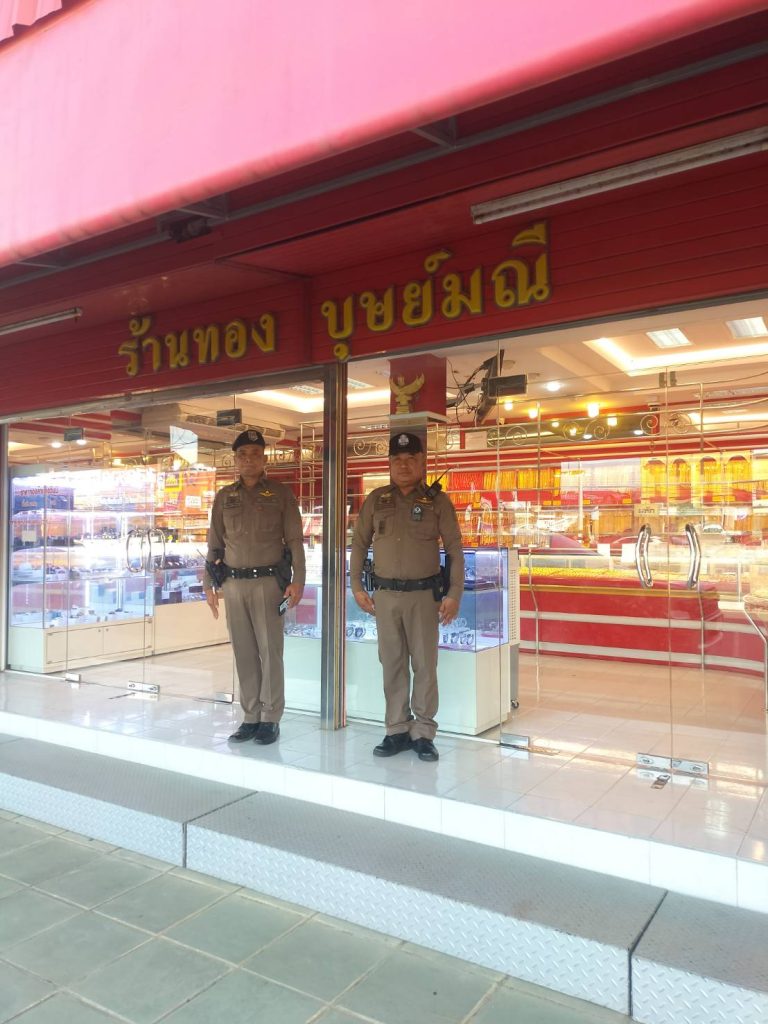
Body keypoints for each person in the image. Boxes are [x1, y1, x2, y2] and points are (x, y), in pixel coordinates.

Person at [350, 432, 464, 761]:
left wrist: (454, 593)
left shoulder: (437, 502)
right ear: (389, 464)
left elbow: (455, 549)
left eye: (411, 459)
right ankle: (397, 729)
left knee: (425, 664)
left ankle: (424, 732)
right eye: (397, 460)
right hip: (385, 597)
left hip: (424, 597)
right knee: (392, 663)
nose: (404, 465)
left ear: (422, 462)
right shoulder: (376, 500)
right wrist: (356, 586)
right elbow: (359, 544)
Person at [204, 429, 305, 744]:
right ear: (235, 460)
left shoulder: (280, 494)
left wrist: (298, 581)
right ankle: (250, 716)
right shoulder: (224, 497)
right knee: (244, 651)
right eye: (242, 455)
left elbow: (295, 540)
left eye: (255, 454)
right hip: (233, 584)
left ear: (264, 459)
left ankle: (270, 718)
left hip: (269, 584)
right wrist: (208, 583)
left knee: (270, 651)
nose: (248, 460)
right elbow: (214, 543)